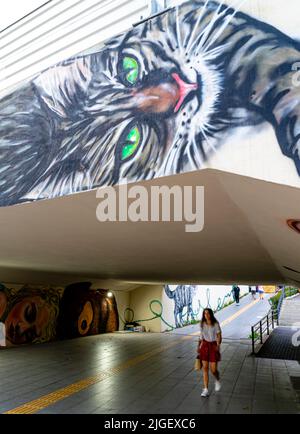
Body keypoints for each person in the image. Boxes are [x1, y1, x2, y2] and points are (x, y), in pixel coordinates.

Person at [198, 308, 222, 398]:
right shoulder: (202, 324)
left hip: (213, 346)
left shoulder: (215, 324)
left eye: (208, 313)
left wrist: (218, 345)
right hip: (204, 346)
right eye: (205, 313)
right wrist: (198, 347)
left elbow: (219, 335)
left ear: (211, 314)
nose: (206, 315)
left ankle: (217, 379)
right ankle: (205, 389)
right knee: (205, 368)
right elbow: (200, 337)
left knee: (213, 369)